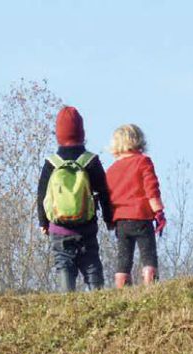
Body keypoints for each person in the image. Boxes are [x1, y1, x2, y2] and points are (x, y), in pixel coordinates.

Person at [37, 106, 114, 292]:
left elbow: (41, 194)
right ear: (82, 133)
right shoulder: (90, 160)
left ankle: (67, 298)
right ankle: (97, 294)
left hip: (59, 229)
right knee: (91, 262)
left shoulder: (51, 163)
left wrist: (43, 222)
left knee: (63, 263)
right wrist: (108, 218)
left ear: (58, 134)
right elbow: (104, 191)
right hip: (86, 226)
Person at [105, 123, 166, 287]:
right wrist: (159, 212)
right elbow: (151, 189)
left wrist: (110, 219)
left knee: (123, 257)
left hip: (121, 221)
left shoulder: (111, 170)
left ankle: (122, 287)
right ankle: (150, 285)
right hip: (141, 217)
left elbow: (108, 197)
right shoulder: (143, 162)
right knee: (148, 255)